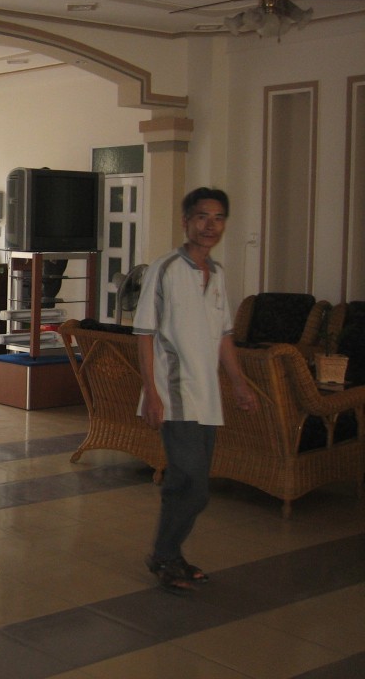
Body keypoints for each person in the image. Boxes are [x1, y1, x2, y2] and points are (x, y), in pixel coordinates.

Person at [133, 187, 257, 594]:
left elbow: (224, 336)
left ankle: (169, 555)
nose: (210, 225)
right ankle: (165, 554)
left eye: (218, 218)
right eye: (202, 217)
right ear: (186, 221)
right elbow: (145, 333)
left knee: (186, 484)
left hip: (208, 397)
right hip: (174, 393)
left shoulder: (218, 274)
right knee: (195, 485)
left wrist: (238, 383)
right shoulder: (165, 269)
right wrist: (151, 393)